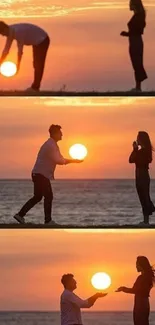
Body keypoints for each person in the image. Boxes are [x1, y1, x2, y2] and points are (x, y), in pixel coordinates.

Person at [13, 125, 83, 225]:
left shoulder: (52, 144)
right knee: (48, 196)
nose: (62, 134)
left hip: (38, 174)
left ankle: (20, 215)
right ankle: (48, 221)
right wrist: (74, 161)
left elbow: (60, 158)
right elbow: (59, 160)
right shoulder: (51, 145)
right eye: (60, 132)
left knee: (37, 197)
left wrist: (74, 161)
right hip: (41, 175)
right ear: (54, 134)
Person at [0, 21, 50, 91]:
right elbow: (6, 50)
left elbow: (20, 51)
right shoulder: (10, 32)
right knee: (35, 64)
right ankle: (35, 87)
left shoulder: (18, 32)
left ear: (5, 29)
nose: (2, 35)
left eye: (2, 33)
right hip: (36, 42)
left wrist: (18, 65)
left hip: (42, 40)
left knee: (38, 64)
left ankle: (35, 87)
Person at [116, 256, 155, 325]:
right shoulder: (147, 277)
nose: (136, 266)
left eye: (137, 264)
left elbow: (135, 290)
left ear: (141, 265)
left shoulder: (142, 278)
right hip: (144, 303)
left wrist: (123, 288)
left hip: (140, 304)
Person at [129, 131, 155, 225]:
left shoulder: (145, 151)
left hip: (143, 175)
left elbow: (134, 160)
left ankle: (146, 220)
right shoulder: (140, 151)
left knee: (145, 198)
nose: (137, 139)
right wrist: (135, 150)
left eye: (138, 137)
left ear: (141, 139)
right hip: (139, 175)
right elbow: (131, 160)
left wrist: (136, 150)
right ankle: (146, 220)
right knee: (143, 198)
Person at [120, 0, 147, 92]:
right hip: (133, 41)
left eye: (130, 3)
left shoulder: (139, 16)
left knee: (137, 64)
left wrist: (127, 34)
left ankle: (138, 87)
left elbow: (138, 31)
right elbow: (135, 31)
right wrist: (127, 34)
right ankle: (138, 87)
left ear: (134, 4)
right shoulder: (137, 15)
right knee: (136, 64)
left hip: (136, 42)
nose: (129, 5)